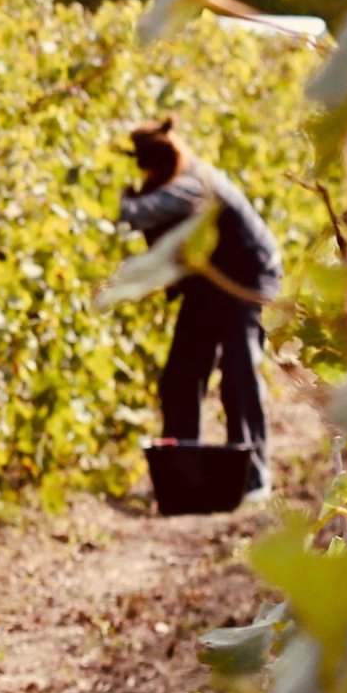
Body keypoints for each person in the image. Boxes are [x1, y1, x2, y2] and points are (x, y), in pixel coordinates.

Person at [119, 116, 281, 491]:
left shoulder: (192, 183)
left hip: (247, 280)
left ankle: (254, 478)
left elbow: (135, 214)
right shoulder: (173, 181)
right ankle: (182, 477)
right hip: (207, 286)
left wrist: (117, 193)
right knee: (180, 376)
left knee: (239, 373)